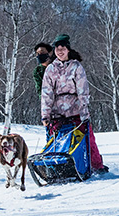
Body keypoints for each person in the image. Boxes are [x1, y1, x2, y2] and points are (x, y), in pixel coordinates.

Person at [40, 34, 108, 173]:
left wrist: (84, 112)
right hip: (57, 112)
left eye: (63, 48)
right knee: (56, 142)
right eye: (57, 49)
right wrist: (45, 116)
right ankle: (54, 168)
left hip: (75, 110)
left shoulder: (76, 66)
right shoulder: (50, 70)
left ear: (68, 49)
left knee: (87, 138)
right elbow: (47, 94)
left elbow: (83, 90)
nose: (60, 51)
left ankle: (96, 165)